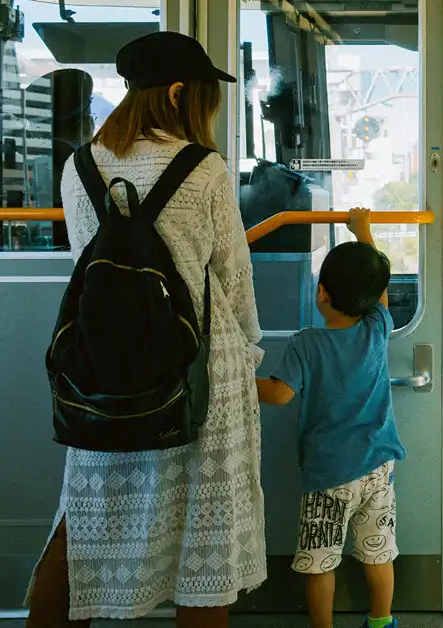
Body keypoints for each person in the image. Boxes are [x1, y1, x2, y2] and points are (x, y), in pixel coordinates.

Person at [25, 31, 267, 628]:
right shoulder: (203, 169)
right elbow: (232, 280)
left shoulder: (79, 165)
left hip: (104, 365)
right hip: (198, 367)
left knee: (84, 516)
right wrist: (251, 353)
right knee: (205, 535)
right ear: (182, 91)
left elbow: (88, 261)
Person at [256, 208, 406, 628]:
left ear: (321, 293)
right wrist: (364, 232)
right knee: (378, 551)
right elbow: (380, 291)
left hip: (328, 476)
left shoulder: (308, 344)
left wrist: (233, 377)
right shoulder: (378, 325)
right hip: (379, 466)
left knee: (320, 562)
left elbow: (279, 394)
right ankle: (381, 621)